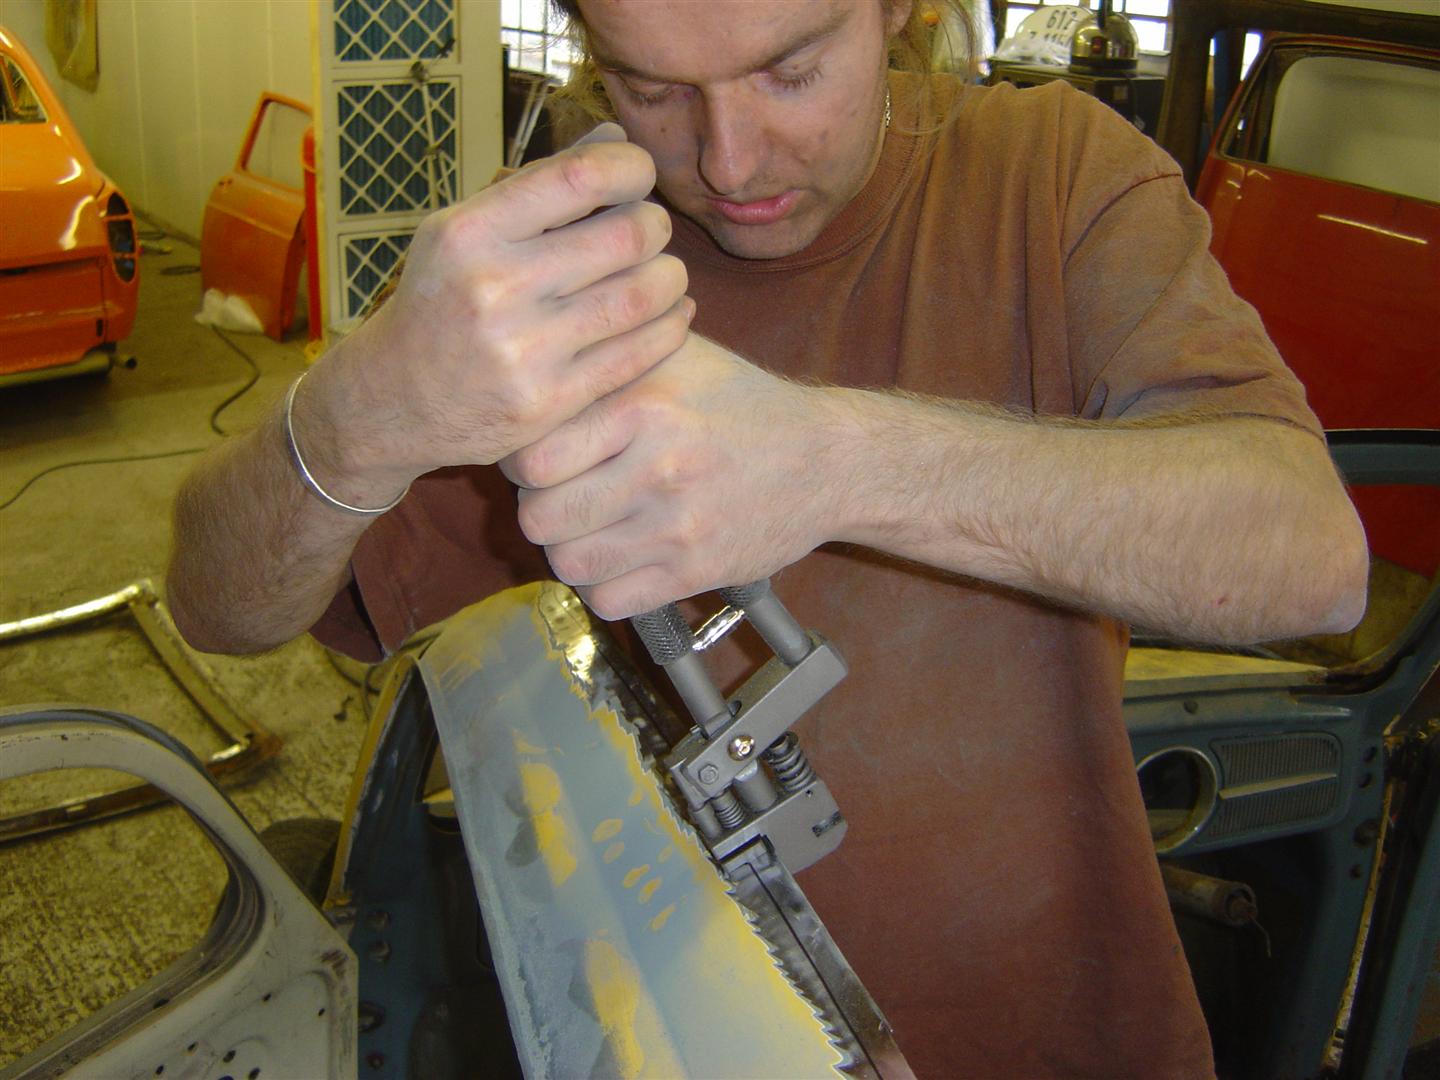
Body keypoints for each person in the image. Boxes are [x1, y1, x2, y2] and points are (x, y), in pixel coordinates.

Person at [168, 2, 1368, 1075]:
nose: (727, 161)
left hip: (1061, 1035)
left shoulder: (1052, 179)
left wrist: (835, 462)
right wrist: (355, 415)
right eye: (651, 87)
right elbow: (219, 610)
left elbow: (1312, 561)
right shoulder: (553, 276)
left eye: (790, 72)